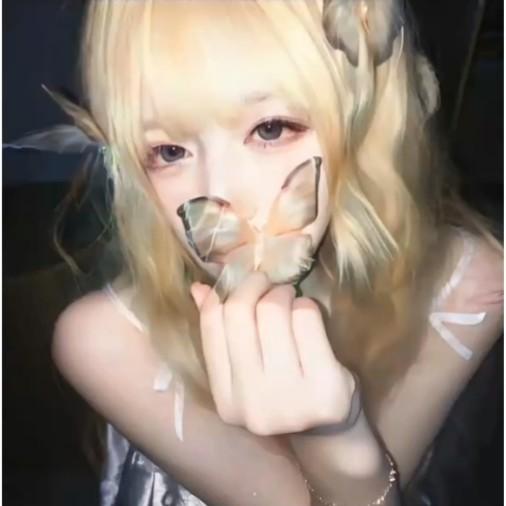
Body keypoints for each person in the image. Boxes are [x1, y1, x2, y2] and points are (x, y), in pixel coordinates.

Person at [42, 1, 503, 505]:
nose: (220, 195)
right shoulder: (108, 339)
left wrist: (340, 446)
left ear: (363, 118)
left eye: (271, 129)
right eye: (168, 152)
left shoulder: (470, 284)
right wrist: (339, 451)